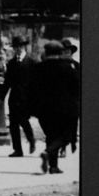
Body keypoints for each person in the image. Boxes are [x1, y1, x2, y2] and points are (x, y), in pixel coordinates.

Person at [29, 39, 80, 175]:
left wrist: (34, 108)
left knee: (51, 136)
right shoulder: (68, 67)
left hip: (44, 110)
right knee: (67, 136)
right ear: (60, 52)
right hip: (65, 109)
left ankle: (53, 166)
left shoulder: (38, 68)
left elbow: (31, 89)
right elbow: (77, 87)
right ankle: (48, 152)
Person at [2, 34, 36, 157]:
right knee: (13, 124)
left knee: (24, 121)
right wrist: (2, 96)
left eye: (20, 46)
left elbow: (35, 82)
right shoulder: (11, 63)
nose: (18, 49)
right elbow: (7, 81)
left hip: (26, 98)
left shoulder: (31, 62)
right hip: (14, 97)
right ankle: (18, 149)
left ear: (24, 47)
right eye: (16, 47)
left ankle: (31, 139)